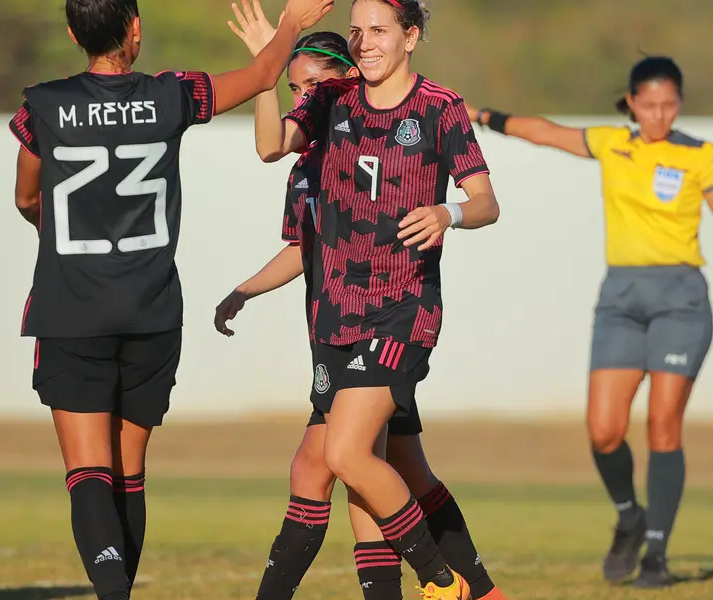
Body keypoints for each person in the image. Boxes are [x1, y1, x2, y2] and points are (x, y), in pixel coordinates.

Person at [5, 1, 334, 598]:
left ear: (75, 34)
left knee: (88, 473)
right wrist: (291, 24)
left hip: (72, 307)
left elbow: (28, 198)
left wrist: (69, 233)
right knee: (129, 471)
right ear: (135, 30)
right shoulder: (170, 95)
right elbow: (264, 77)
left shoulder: (43, 105)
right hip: (151, 309)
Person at [216, 4, 505, 600]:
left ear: (411, 36)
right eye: (357, 30)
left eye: (378, 30)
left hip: (403, 310)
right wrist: (267, 66)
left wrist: (448, 212)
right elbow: (271, 146)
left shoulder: (439, 107)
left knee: (347, 455)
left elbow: (485, 202)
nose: (365, 42)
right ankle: (476, 590)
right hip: (335, 318)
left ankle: (440, 580)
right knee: (380, 469)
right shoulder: (333, 101)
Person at [464, 55, 713, 587]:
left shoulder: (700, 156)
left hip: (681, 300)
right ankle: (630, 517)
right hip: (621, 299)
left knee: (662, 425)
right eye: (649, 104)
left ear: (679, 104)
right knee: (604, 430)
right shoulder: (615, 144)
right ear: (631, 103)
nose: (659, 114)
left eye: (669, 104)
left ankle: (656, 552)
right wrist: (481, 115)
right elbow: (545, 133)